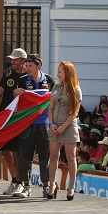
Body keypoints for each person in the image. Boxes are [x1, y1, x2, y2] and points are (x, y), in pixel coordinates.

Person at [11, 53, 53, 198]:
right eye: (26, 66)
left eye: (30, 66)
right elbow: (16, 102)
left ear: (38, 66)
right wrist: (15, 92)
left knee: (44, 156)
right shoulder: (22, 80)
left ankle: (46, 186)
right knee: (25, 156)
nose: (27, 68)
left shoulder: (48, 80)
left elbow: (54, 100)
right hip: (27, 124)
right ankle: (26, 186)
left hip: (45, 123)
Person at [0, 48, 27, 196]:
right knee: (6, 151)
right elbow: (0, 92)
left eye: (15, 59)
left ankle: (20, 182)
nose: (12, 62)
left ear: (23, 61)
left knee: (17, 152)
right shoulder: (7, 75)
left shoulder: (28, 77)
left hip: (21, 119)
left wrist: (24, 92)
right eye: (11, 59)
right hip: (6, 119)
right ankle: (14, 180)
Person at [48, 61, 82, 201]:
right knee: (54, 156)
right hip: (54, 126)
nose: (58, 74)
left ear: (67, 73)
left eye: (60, 72)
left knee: (70, 157)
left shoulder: (76, 90)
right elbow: (50, 108)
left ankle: (71, 187)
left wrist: (63, 126)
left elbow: (75, 112)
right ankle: (51, 186)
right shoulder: (56, 87)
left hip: (68, 127)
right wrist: (51, 124)